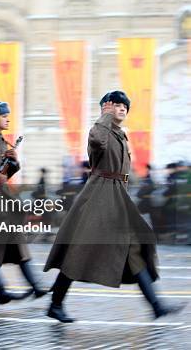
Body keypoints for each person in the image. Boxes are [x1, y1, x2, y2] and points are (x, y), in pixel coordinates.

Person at [44, 91, 185, 322]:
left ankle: (156, 306)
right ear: (106, 109)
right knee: (80, 251)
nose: (121, 109)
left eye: (124, 106)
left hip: (117, 197)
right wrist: (104, 116)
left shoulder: (121, 135)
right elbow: (98, 141)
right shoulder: (99, 130)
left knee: (134, 249)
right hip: (98, 198)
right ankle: (55, 304)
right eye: (116, 105)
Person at [0, 100, 47, 299]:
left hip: (3, 203)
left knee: (16, 243)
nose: (8, 119)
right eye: (4, 116)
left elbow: (6, 173)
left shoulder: (1, 141)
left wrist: (14, 161)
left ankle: (35, 286)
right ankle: (1, 291)